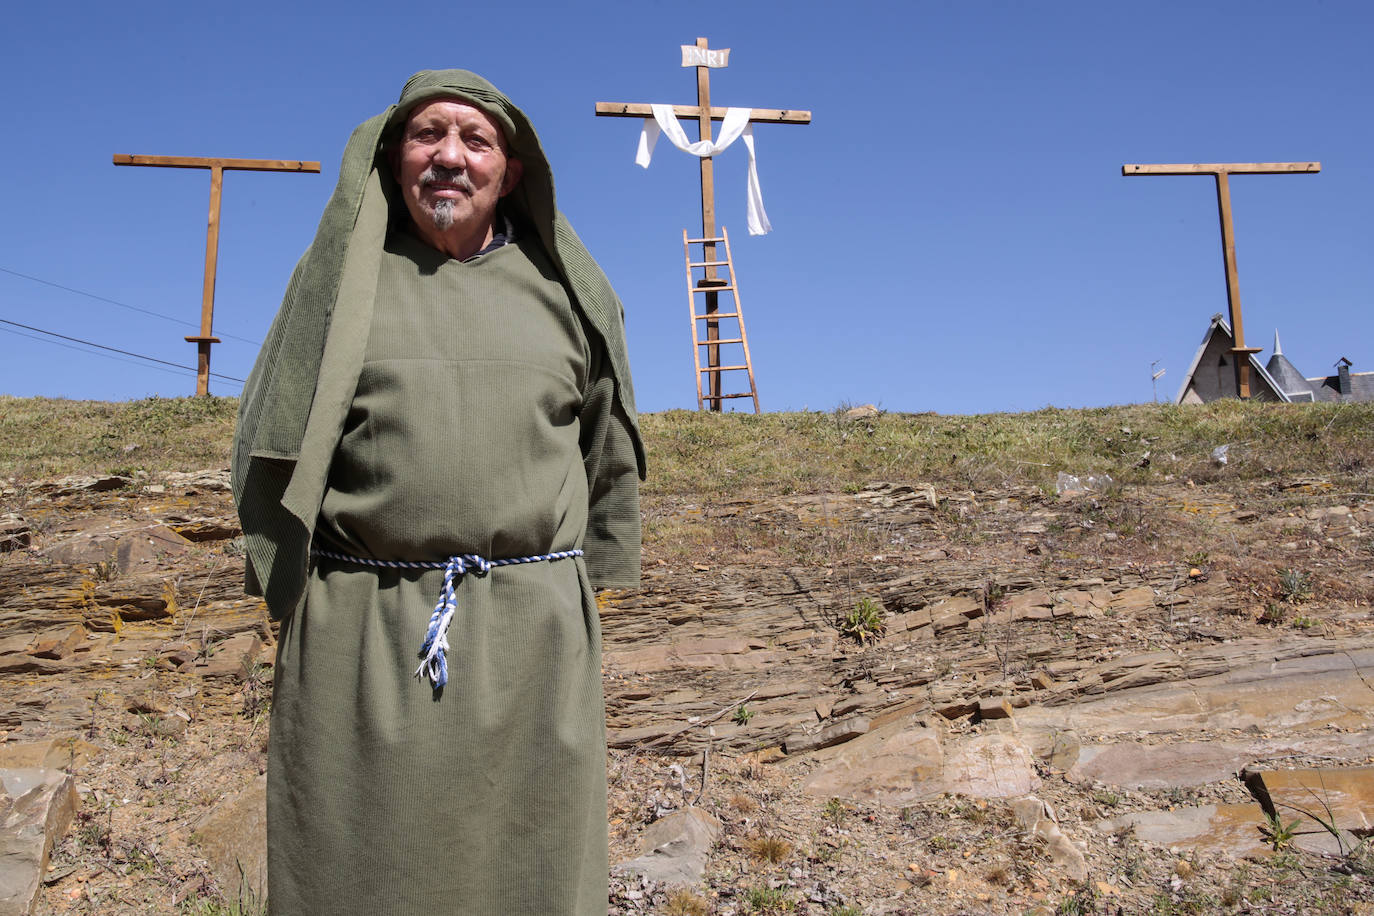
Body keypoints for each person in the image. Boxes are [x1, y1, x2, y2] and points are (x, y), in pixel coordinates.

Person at [231, 69, 644, 916]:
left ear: (511, 171)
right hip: (362, 631)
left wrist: (599, 573)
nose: (450, 157)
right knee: (358, 872)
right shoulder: (338, 289)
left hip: (534, 638)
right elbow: (266, 431)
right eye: (428, 135)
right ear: (391, 159)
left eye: (475, 139)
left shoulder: (568, 296)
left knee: (534, 873)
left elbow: (609, 444)